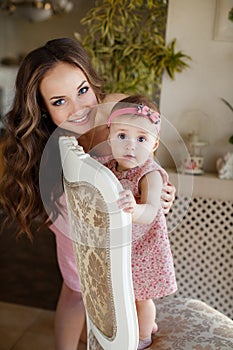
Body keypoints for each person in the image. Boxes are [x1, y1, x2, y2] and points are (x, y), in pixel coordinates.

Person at [0, 38, 176, 350]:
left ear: (92, 81)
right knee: (76, 289)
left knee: (114, 289)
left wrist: (158, 190)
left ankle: (105, 329)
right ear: (42, 109)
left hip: (120, 220)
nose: (79, 108)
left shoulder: (117, 110)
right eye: (59, 101)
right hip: (72, 221)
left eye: (82, 90)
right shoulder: (55, 146)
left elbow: (143, 154)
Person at [105, 95, 177, 350]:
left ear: (154, 144)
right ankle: (134, 325)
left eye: (142, 139)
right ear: (109, 136)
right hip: (124, 247)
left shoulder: (151, 174)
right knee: (123, 295)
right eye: (122, 135)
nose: (130, 146)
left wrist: (135, 209)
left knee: (141, 298)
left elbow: (151, 212)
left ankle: (144, 335)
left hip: (144, 250)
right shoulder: (110, 165)